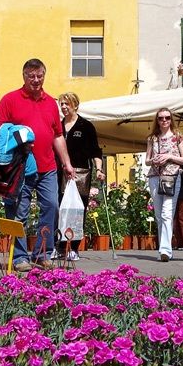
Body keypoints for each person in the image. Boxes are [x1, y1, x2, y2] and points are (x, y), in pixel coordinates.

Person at [0, 59, 75, 272]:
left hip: (47, 167)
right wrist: (16, 134)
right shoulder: (10, 99)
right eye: (31, 76)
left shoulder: (50, 103)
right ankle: (19, 257)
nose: (36, 80)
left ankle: (42, 253)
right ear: (24, 76)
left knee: (51, 207)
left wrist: (67, 163)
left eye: (39, 76)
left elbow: (57, 135)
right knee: (20, 211)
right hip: (19, 168)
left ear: (44, 76)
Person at [58, 92, 104, 260]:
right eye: (61, 104)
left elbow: (95, 150)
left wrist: (99, 169)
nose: (63, 107)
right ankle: (61, 246)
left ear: (75, 105)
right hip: (60, 172)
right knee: (60, 208)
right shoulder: (58, 125)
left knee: (77, 210)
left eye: (66, 104)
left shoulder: (86, 126)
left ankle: (74, 247)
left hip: (81, 172)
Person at [146, 107, 183, 262]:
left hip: (172, 176)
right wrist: (155, 159)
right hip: (155, 177)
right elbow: (147, 160)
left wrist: (169, 156)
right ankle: (165, 247)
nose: (164, 121)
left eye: (167, 118)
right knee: (159, 215)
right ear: (157, 120)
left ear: (171, 119)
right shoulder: (152, 138)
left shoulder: (178, 137)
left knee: (166, 213)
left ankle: (165, 250)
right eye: (161, 118)